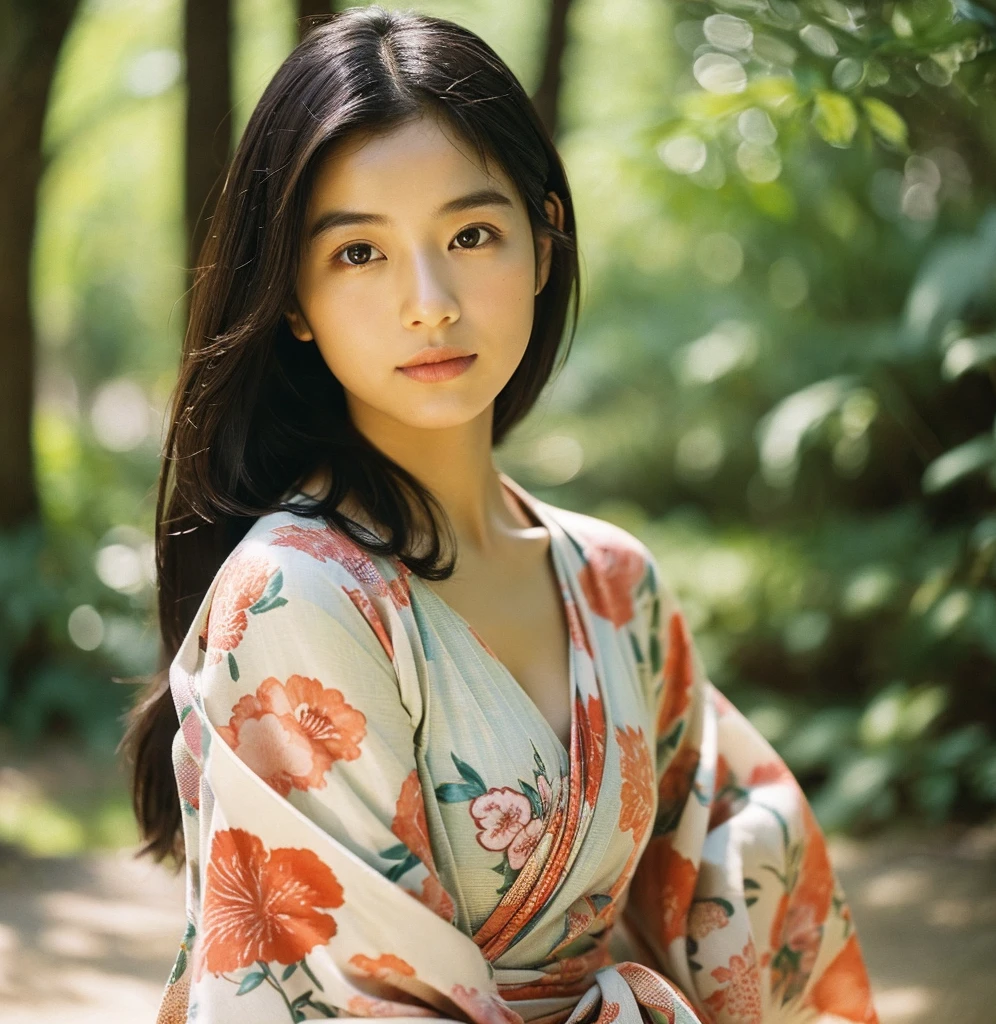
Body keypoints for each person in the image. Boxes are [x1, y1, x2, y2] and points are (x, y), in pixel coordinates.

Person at [121, 7, 879, 1024]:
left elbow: (736, 868)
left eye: (470, 233)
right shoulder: (297, 595)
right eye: (358, 253)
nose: (429, 300)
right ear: (292, 296)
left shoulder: (615, 581)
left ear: (543, 239)